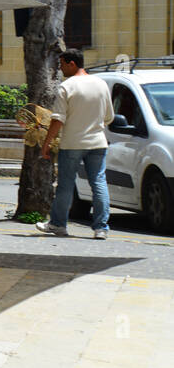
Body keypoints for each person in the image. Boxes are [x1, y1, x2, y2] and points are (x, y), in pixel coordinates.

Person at [37, 49, 115, 239]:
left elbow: (58, 120)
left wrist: (46, 143)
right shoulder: (101, 84)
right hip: (98, 142)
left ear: (72, 64)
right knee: (99, 182)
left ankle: (58, 224)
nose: (61, 69)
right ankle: (101, 228)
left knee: (65, 185)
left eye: (62, 64)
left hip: (72, 143)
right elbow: (108, 116)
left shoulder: (67, 86)